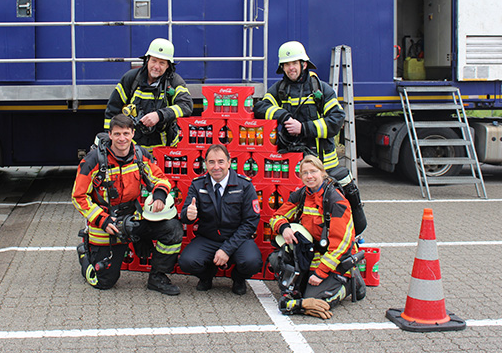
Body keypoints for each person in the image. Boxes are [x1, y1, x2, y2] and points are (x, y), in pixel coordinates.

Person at [72, 113, 184, 295]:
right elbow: (79, 197)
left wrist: (159, 195)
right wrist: (103, 221)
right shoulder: (92, 161)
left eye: (125, 133)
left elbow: (161, 178)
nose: (122, 138)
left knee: (173, 228)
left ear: (132, 133)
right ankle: (85, 253)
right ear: (110, 135)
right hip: (107, 223)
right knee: (104, 281)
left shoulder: (140, 155)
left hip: (134, 218)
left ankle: (158, 277)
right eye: (117, 134)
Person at [268, 155, 365, 318]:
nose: (309, 176)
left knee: (315, 299)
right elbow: (276, 217)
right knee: (275, 259)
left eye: (313, 171)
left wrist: (320, 273)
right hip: (312, 255)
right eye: (305, 173)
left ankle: (350, 284)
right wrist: (283, 227)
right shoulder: (301, 195)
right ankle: (304, 296)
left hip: (335, 260)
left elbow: (340, 245)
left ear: (322, 173)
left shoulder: (336, 201)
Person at [178, 144, 263, 295]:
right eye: (211, 162)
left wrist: (226, 249)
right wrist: (187, 215)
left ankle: (238, 278)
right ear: (206, 164)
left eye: (221, 162)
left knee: (252, 262)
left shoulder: (244, 185)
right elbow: (186, 215)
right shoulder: (197, 185)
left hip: (238, 239)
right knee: (187, 262)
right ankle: (207, 276)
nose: (216, 167)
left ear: (229, 163)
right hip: (208, 238)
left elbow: (251, 222)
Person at [254, 40, 344, 172]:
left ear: (304, 64)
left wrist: (303, 128)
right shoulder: (280, 89)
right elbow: (260, 108)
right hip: (291, 163)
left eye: (295, 63)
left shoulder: (320, 89)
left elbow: (337, 120)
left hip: (321, 165)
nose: (291, 68)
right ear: (282, 67)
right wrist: (284, 117)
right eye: (287, 64)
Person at [104, 38, 193, 152]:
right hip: (133, 149)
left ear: (168, 66)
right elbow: (113, 109)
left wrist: (159, 115)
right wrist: (109, 138)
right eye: (154, 61)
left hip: (164, 148)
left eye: (162, 63)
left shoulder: (175, 82)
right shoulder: (131, 79)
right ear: (147, 60)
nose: (156, 66)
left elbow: (186, 106)